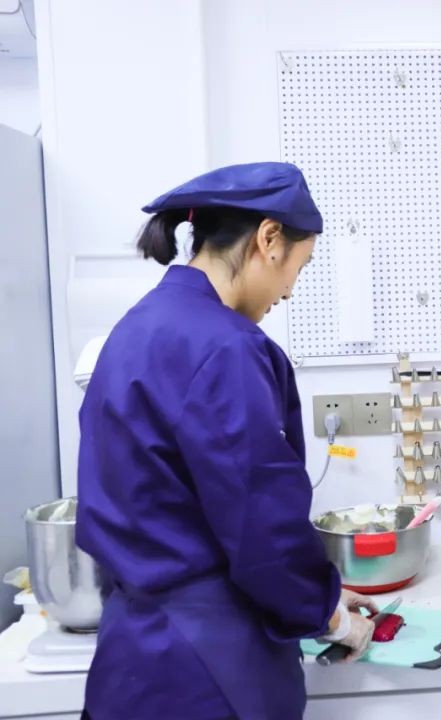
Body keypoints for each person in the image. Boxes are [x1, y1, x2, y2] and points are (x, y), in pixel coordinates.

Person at [76, 162, 376, 720]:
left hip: (129, 661)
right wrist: (333, 620)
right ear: (269, 238)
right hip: (210, 670)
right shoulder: (228, 348)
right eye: (300, 266)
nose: (290, 290)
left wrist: (321, 595)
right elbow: (262, 528)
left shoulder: (135, 327)